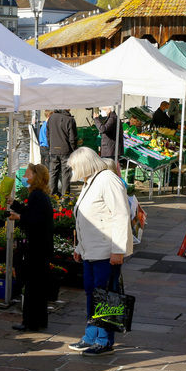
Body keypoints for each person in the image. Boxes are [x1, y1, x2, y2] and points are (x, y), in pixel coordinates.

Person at [66, 147, 131, 356]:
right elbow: (85, 220)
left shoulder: (107, 180)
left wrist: (118, 250)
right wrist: (79, 247)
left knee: (104, 296)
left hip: (105, 251)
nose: (73, 171)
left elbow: (120, 215)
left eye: (75, 167)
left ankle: (104, 341)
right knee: (92, 294)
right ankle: (91, 336)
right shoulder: (91, 181)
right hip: (91, 251)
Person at [8, 164, 53, 332]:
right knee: (39, 286)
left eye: (28, 173)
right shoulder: (40, 195)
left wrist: (19, 216)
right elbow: (33, 213)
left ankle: (30, 321)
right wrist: (16, 205)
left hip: (37, 248)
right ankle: (39, 320)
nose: (25, 176)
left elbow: (33, 220)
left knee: (32, 285)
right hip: (43, 247)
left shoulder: (36, 196)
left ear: (35, 176)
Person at [47, 109, 77, 196]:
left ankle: (52, 193)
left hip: (53, 149)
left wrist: (51, 146)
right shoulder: (69, 119)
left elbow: (48, 135)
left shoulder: (51, 117)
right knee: (66, 173)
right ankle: (65, 195)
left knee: (53, 172)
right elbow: (72, 138)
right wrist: (74, 150)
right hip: (66, 150)